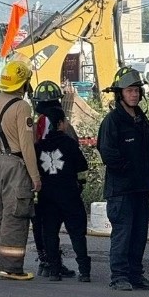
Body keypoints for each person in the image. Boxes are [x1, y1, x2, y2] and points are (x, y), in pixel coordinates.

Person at [96, 66, 149, 291]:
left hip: (141, 189)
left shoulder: (142, 121)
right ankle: (119, 277)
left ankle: (136, 275)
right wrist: (127, 170)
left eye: (136, 90)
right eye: (129, 90)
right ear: (120, 94)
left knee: (139, 235)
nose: (134, 94)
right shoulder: (112, 121)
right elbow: (107, 152)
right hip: (121, 191)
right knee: (123, 235)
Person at [0, 58, 41, 280]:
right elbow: (27, 145)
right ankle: (12, 267)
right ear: (24, 84)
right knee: (15, 217)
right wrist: (35, 176)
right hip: (15, 165)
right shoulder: (22, 106)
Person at [35, 106, 91, 282]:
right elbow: (82, 166)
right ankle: (84, 272)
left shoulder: (39, 147)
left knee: (50, 233)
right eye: (65, 121)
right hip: (69, 194)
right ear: (60, 123)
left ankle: (54, 271)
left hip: (47, 197)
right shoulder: (69, 143)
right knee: (77, 232)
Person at [32, 80, 78, 278]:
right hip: (59, 184)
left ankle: (46, 261)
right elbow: (75, 154)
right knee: (56, 225)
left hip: (39, 180)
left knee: (40, 223)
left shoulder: (33, 124)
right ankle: (54, 263)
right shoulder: (61, 124)